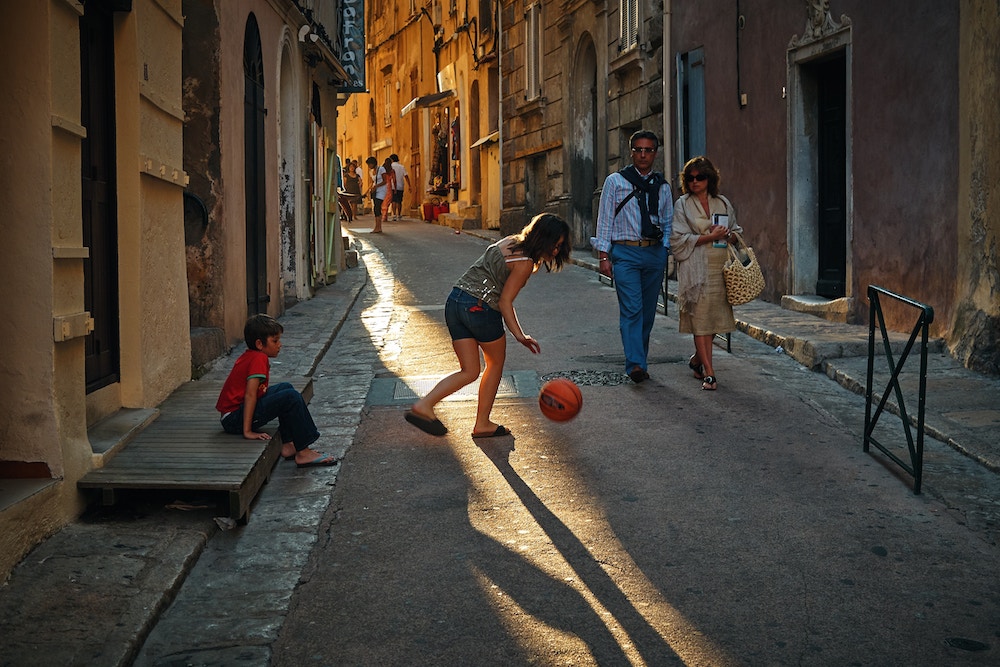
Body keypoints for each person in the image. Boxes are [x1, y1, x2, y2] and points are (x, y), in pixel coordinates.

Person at [405, 213, 571, 438]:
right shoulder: (525, 263)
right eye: (555, 245)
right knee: (495, 363)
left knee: (469, 370)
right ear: (544, 238)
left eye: (559, 247)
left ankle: (424, 406)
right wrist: (520, 335)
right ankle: (482, 423)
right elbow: (504, 301)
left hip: (455, 301)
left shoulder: (509, 241)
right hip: (480, 309)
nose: (556, 251)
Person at [594, 130, 673, 383]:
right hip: (625, 252)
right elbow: (605, 219)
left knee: (648, 312)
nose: (643, 155)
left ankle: (641, 359)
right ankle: (635, 364)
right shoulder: (615, 181)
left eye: (648, 150)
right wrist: (603, 256)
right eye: (638, 149)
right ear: (631, 152)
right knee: (632, 309)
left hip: (653, 252)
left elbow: (668, 222)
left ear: (655, 153)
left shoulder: (661, 186)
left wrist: (665, 250)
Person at [216, 314, 338, 467]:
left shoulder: (253, 355)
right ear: (260, 344)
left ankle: (289, 444)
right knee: (291, 397)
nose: (279, 344)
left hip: (234, 415)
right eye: (275, 341)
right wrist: (248, 431)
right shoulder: (258, 359)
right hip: (234, 419)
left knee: (286, 387)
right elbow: (250, 394)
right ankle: (304, 451)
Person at [670, 155, 742, 391]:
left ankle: (696, 360)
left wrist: (727, 235)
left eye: (700, 177)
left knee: (713, 320)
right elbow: (677, 239)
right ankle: (709, 373)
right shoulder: (682, 204)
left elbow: (737, 233)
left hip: (721, 269)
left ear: (709, 178)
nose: (694, 182)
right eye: (690, 178)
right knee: (701, 319)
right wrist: (710, 237)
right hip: (695, 270)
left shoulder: (722, 202)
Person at [364, 156, 385, 233]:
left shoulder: (381, 169)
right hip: (375, 191)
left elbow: (385, 180)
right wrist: (367, 191)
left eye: (369, 164)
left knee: (377, 207)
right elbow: (372, 182)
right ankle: (378, 226)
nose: (369, 166)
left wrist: (376, 186)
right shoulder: (371, 172)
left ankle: (378, 226)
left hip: (381, 190)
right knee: (376, 208)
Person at [389, 153, 411, 221]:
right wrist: (409, 185)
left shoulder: (390, 167)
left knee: (393, 201)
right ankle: (399, 214)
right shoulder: (402, 167)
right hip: (400, 186)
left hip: (392, 186)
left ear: (391, 159)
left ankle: (394, 215)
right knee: (399, 201)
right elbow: (406, 176)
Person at [380, 157, 396, 223]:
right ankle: (384, 216)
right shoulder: (392, 171)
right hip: (388, 186)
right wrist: (395, 188)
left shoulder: (382, 170)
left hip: (382, 186)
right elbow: (394, 180)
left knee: (382, 201)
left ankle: (383, 215)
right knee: (387, 202)